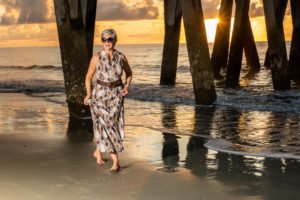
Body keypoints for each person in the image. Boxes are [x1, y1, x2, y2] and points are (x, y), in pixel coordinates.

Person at [84, 29, 132, 172]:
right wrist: (88, 95)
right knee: (107, 123)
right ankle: (116, 161)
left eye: (109, 39)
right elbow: (88, 77)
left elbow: (129, 74)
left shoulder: (121, 57)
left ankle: (98, 151)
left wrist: (127, 86)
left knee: (110, 124)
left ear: (115, 40)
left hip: (117, 94)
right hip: (100, 94)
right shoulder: (96, 57)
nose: (106, 42)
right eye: (104, 40)